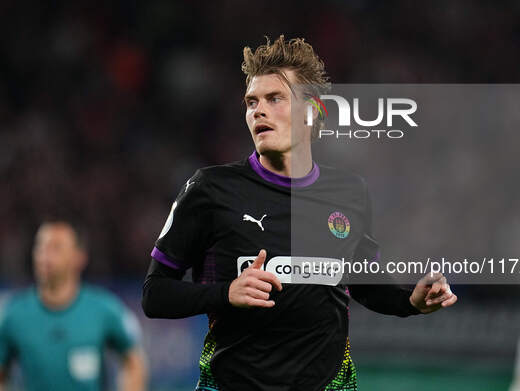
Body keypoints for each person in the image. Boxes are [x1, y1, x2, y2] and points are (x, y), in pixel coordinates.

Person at [142, 35, 457, 391]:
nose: (258, 110)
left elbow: (364, 283)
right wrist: (225, 292)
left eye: (275, 98)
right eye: (251, 102)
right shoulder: (211, 189)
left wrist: (409, 302)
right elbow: (155, 294)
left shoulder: (349, 193)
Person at [0, 221, 146, 391]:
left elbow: (133, 360)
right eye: (40, 247)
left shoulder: (104, 310)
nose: (44, 255)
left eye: (56, 248)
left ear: (79, 257)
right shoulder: (13, 314)